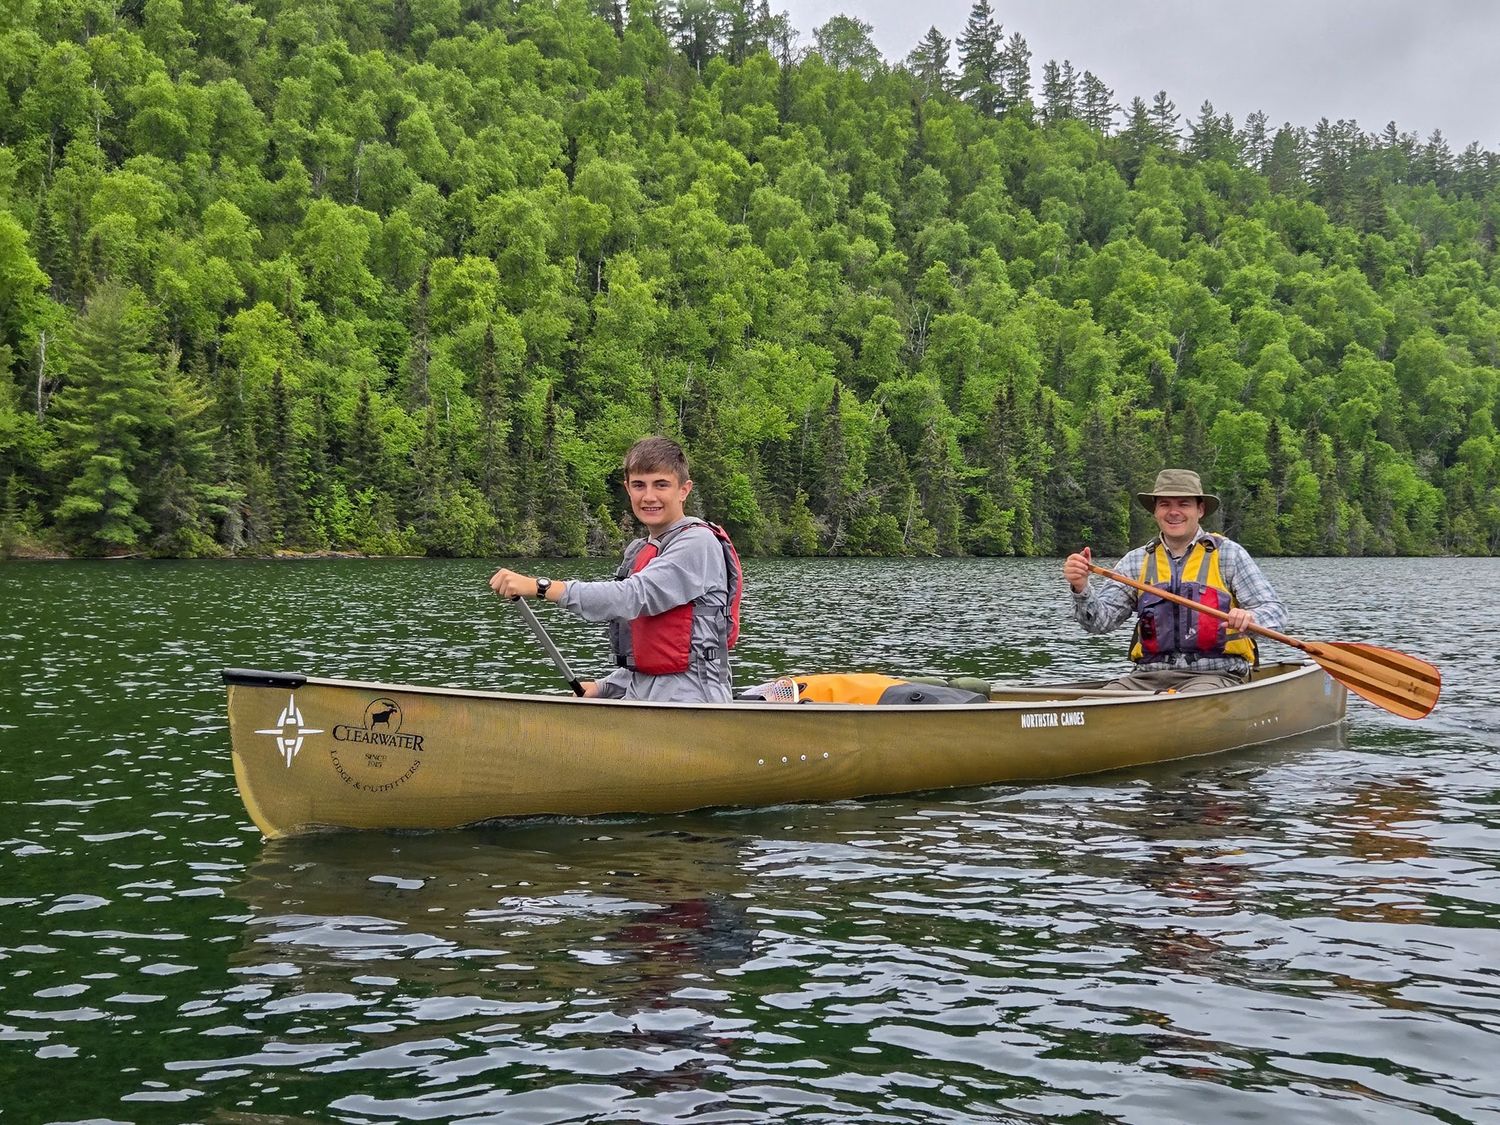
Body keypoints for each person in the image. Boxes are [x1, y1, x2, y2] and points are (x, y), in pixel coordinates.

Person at [489, 436, 742, 703]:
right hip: (641, 700)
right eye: (639, 486)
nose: (649, 496)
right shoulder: (641, 549)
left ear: (684, 490)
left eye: (661, 485)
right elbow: (651, 652)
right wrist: (604, 687)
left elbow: (632, 596)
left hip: (693, 704)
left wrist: (541, 587)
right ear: (628, 489)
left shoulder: (698, 543)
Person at [1061, 468, 1288, 693]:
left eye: (1183, 504)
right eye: (1165, 504)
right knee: (1092, 705)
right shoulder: (1135, 561)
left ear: (1200, 510)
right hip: (1147, 677)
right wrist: (1081, 588)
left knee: (1190, 702)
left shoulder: (1228, 555)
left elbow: (1275, 613)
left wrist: (1250, 617)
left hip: (1215, 676)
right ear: (1156, 512)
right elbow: (1100, 622)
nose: (1173, 512)